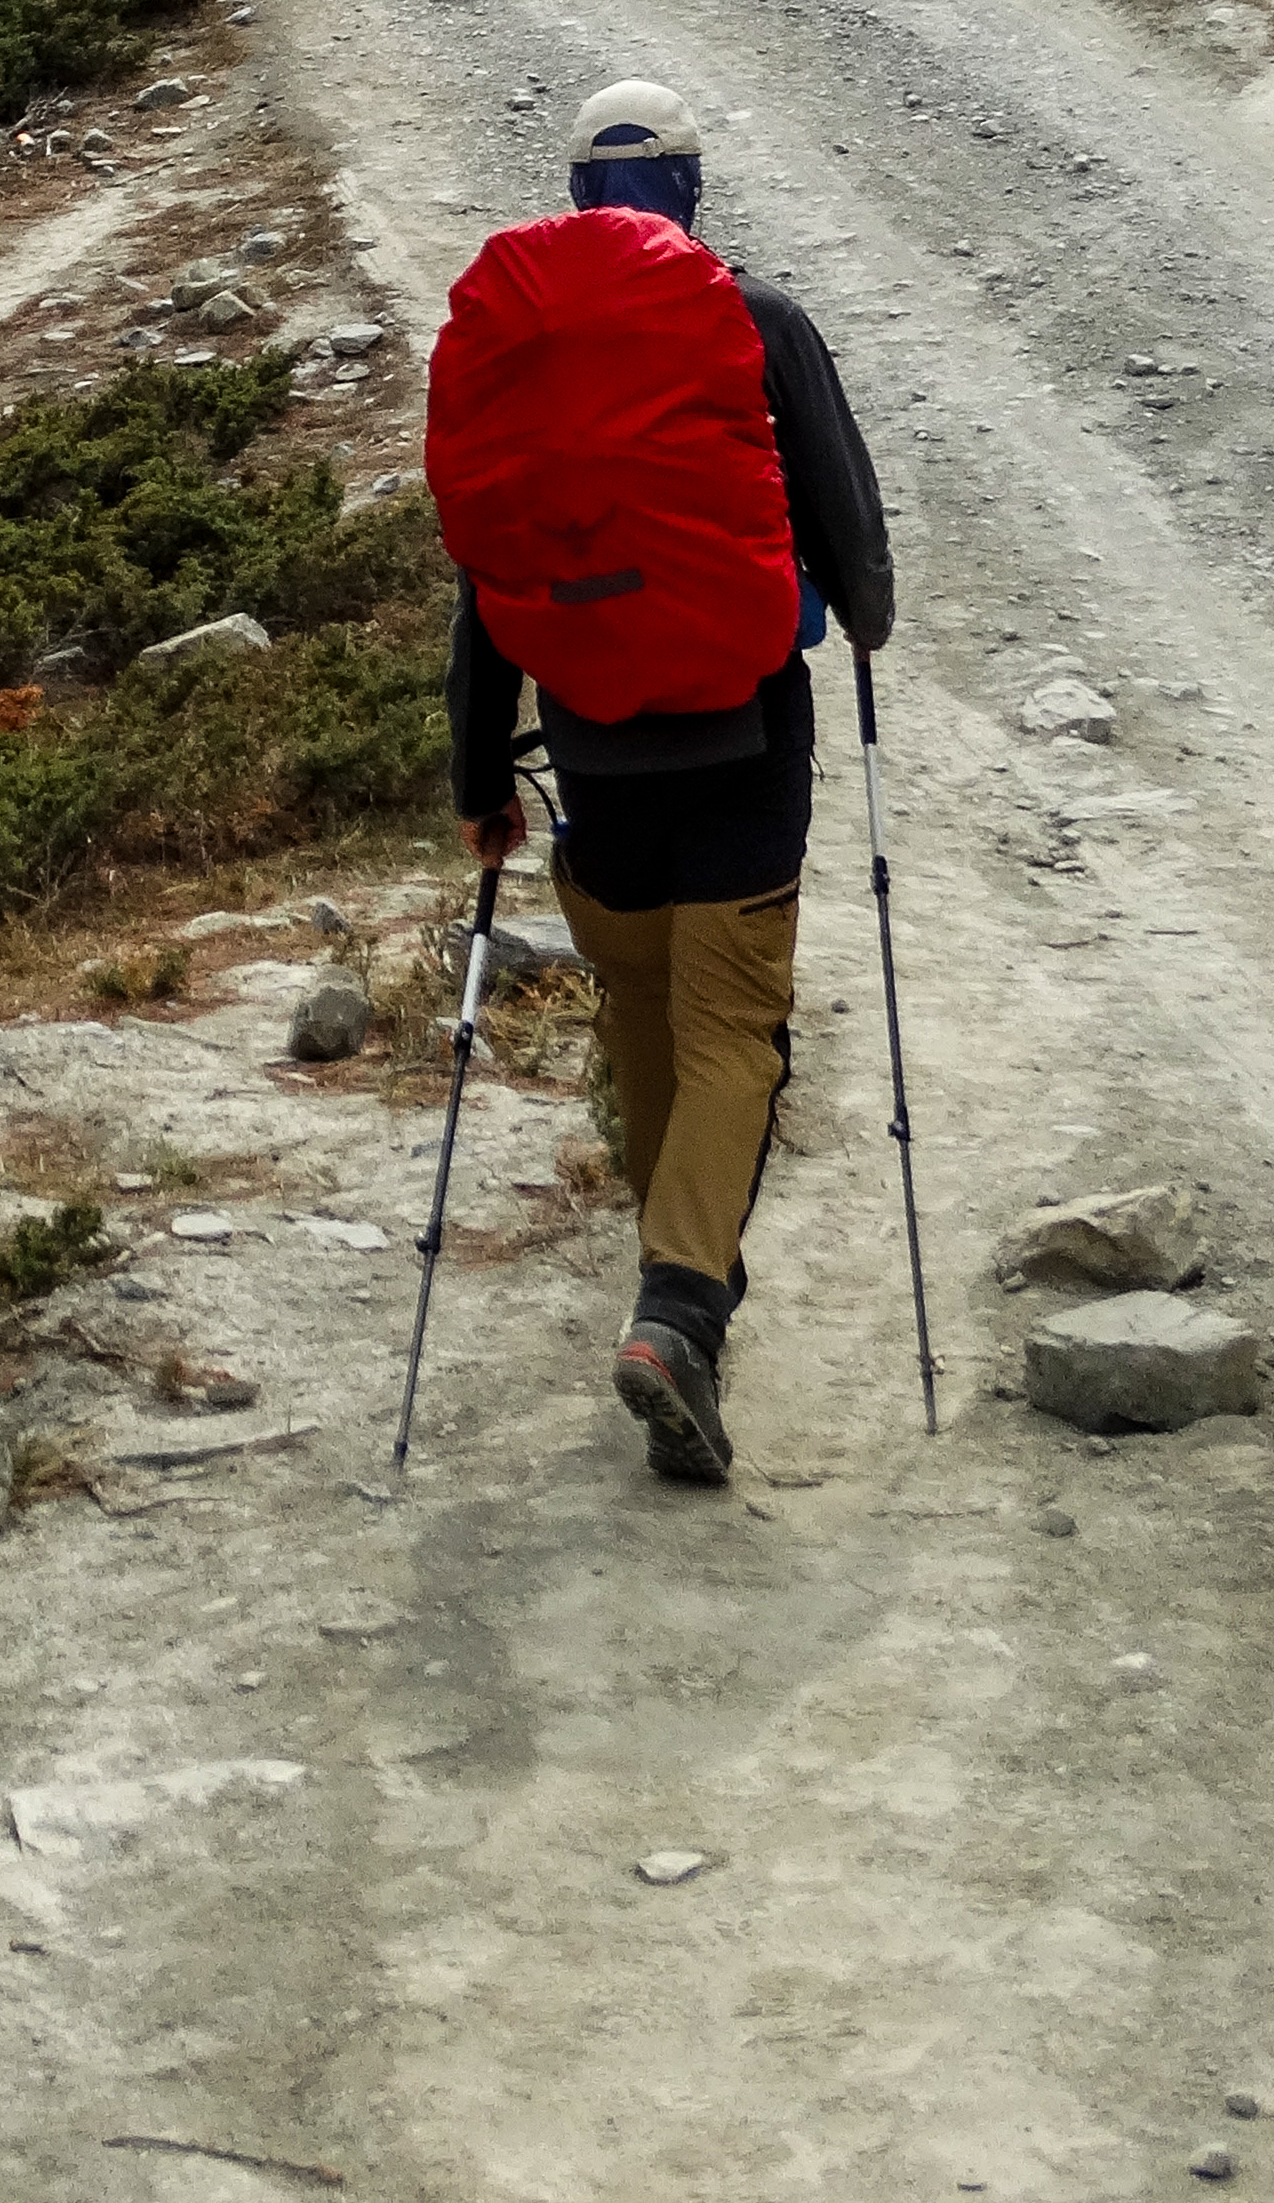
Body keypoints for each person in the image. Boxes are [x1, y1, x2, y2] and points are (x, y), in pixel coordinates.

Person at [432, 78, 895, 1491]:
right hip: (746, 735)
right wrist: (863, 615)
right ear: (689, 184)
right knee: (735, 1029)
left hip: (586, 747)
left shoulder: (526, 355)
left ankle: (674, 1287)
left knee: (642, 1007)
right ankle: (682, 1310)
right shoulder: (756, 319)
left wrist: (479, 775)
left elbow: (487, 578)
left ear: (577, 194)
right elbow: (849, 526)